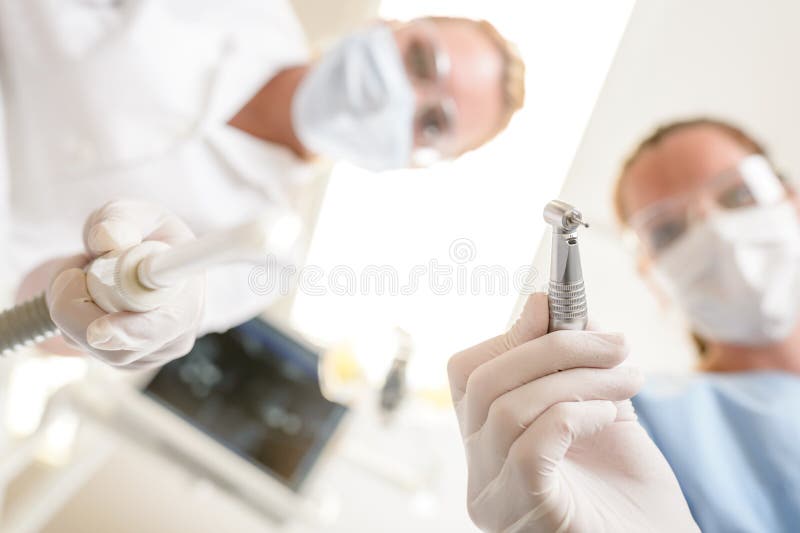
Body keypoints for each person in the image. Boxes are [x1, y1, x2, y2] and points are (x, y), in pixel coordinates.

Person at [0, 1, 524, 366]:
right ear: (388, 25)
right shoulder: (246, 10)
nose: (399, 96)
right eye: (421, 60)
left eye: (431, 123)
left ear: (411, 165)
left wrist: (114, 305)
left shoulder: (265, 261)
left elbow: (43, 324)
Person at [448, 118, 800, 532]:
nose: (716, 231)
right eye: (668, 230)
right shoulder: (628, 423)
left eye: (739, 193)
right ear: (652, 276)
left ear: (791, 199)